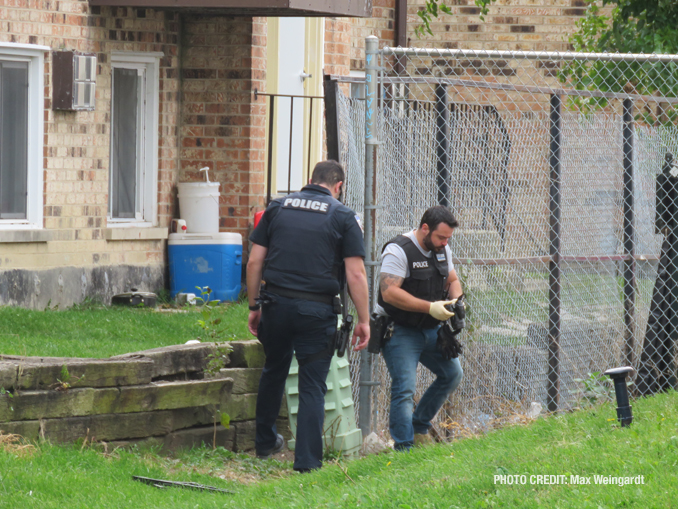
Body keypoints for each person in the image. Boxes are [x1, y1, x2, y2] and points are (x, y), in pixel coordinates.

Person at [246, 160, 370, 472]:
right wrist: (365, 320)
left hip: (275, 304)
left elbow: (254, 262)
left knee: (273, 370)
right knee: (312, 385)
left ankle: (264, 443)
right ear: (338, 186)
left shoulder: (277, 207)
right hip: (317, 312)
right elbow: (355, 275)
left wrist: (254, 305)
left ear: (309, 180)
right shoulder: (343, 216)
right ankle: (307, 463)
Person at [376, 205, 464, 451]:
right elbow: (389, 292)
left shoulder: (442, 249)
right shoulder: (398, 250)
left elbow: (453, 280)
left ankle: (419, 425)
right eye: (441, 237)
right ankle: (404, 448)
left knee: (453, 374)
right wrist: (430, 308)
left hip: (433, 330)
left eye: (448, 238)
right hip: (401, 330)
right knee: (404, 388)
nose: (445, 243)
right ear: (425, 228)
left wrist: (457, 302)